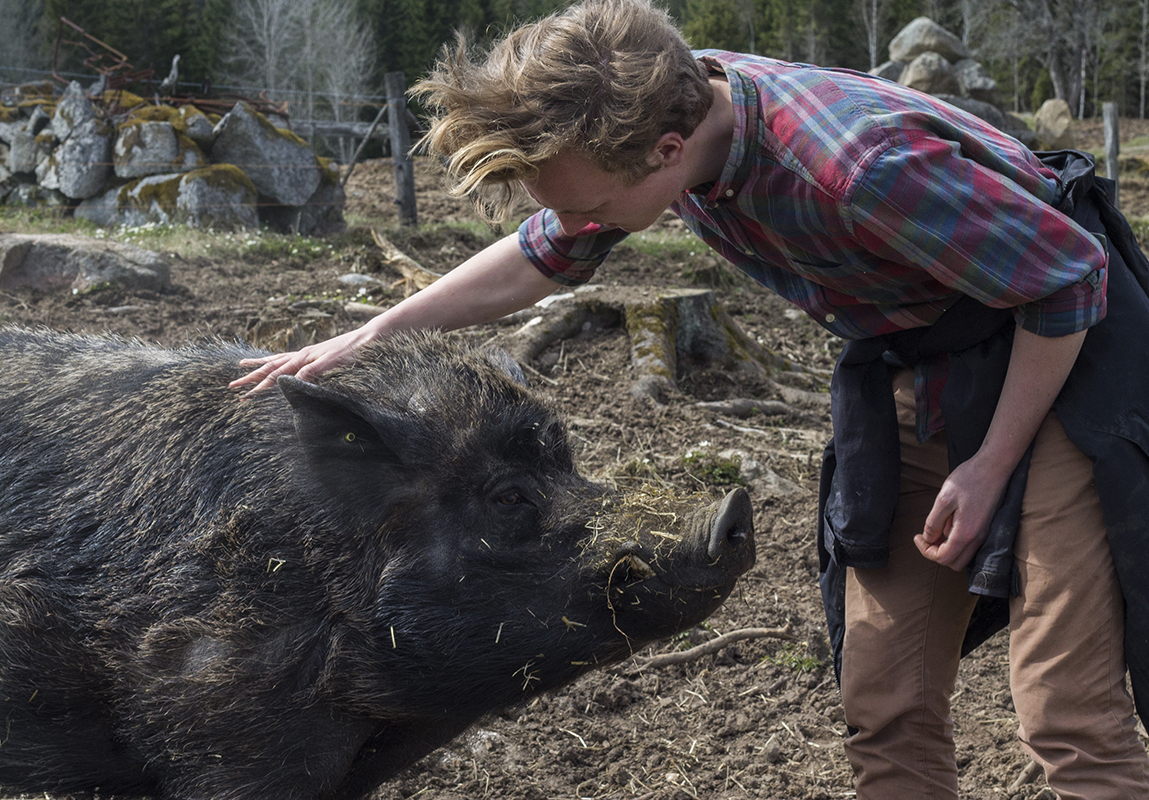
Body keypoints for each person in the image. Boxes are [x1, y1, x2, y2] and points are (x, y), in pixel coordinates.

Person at [230, 0, 1149, 796]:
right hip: (917, 365)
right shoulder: (670, 126)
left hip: (1060, 359)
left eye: (591, 207)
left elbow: (1066, 282)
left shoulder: (856, 164)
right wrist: (369, 334)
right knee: (886, 704)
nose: (583, 226)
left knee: (1067, 713)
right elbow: (545, 253)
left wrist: (990, 467)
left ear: (668, 152)